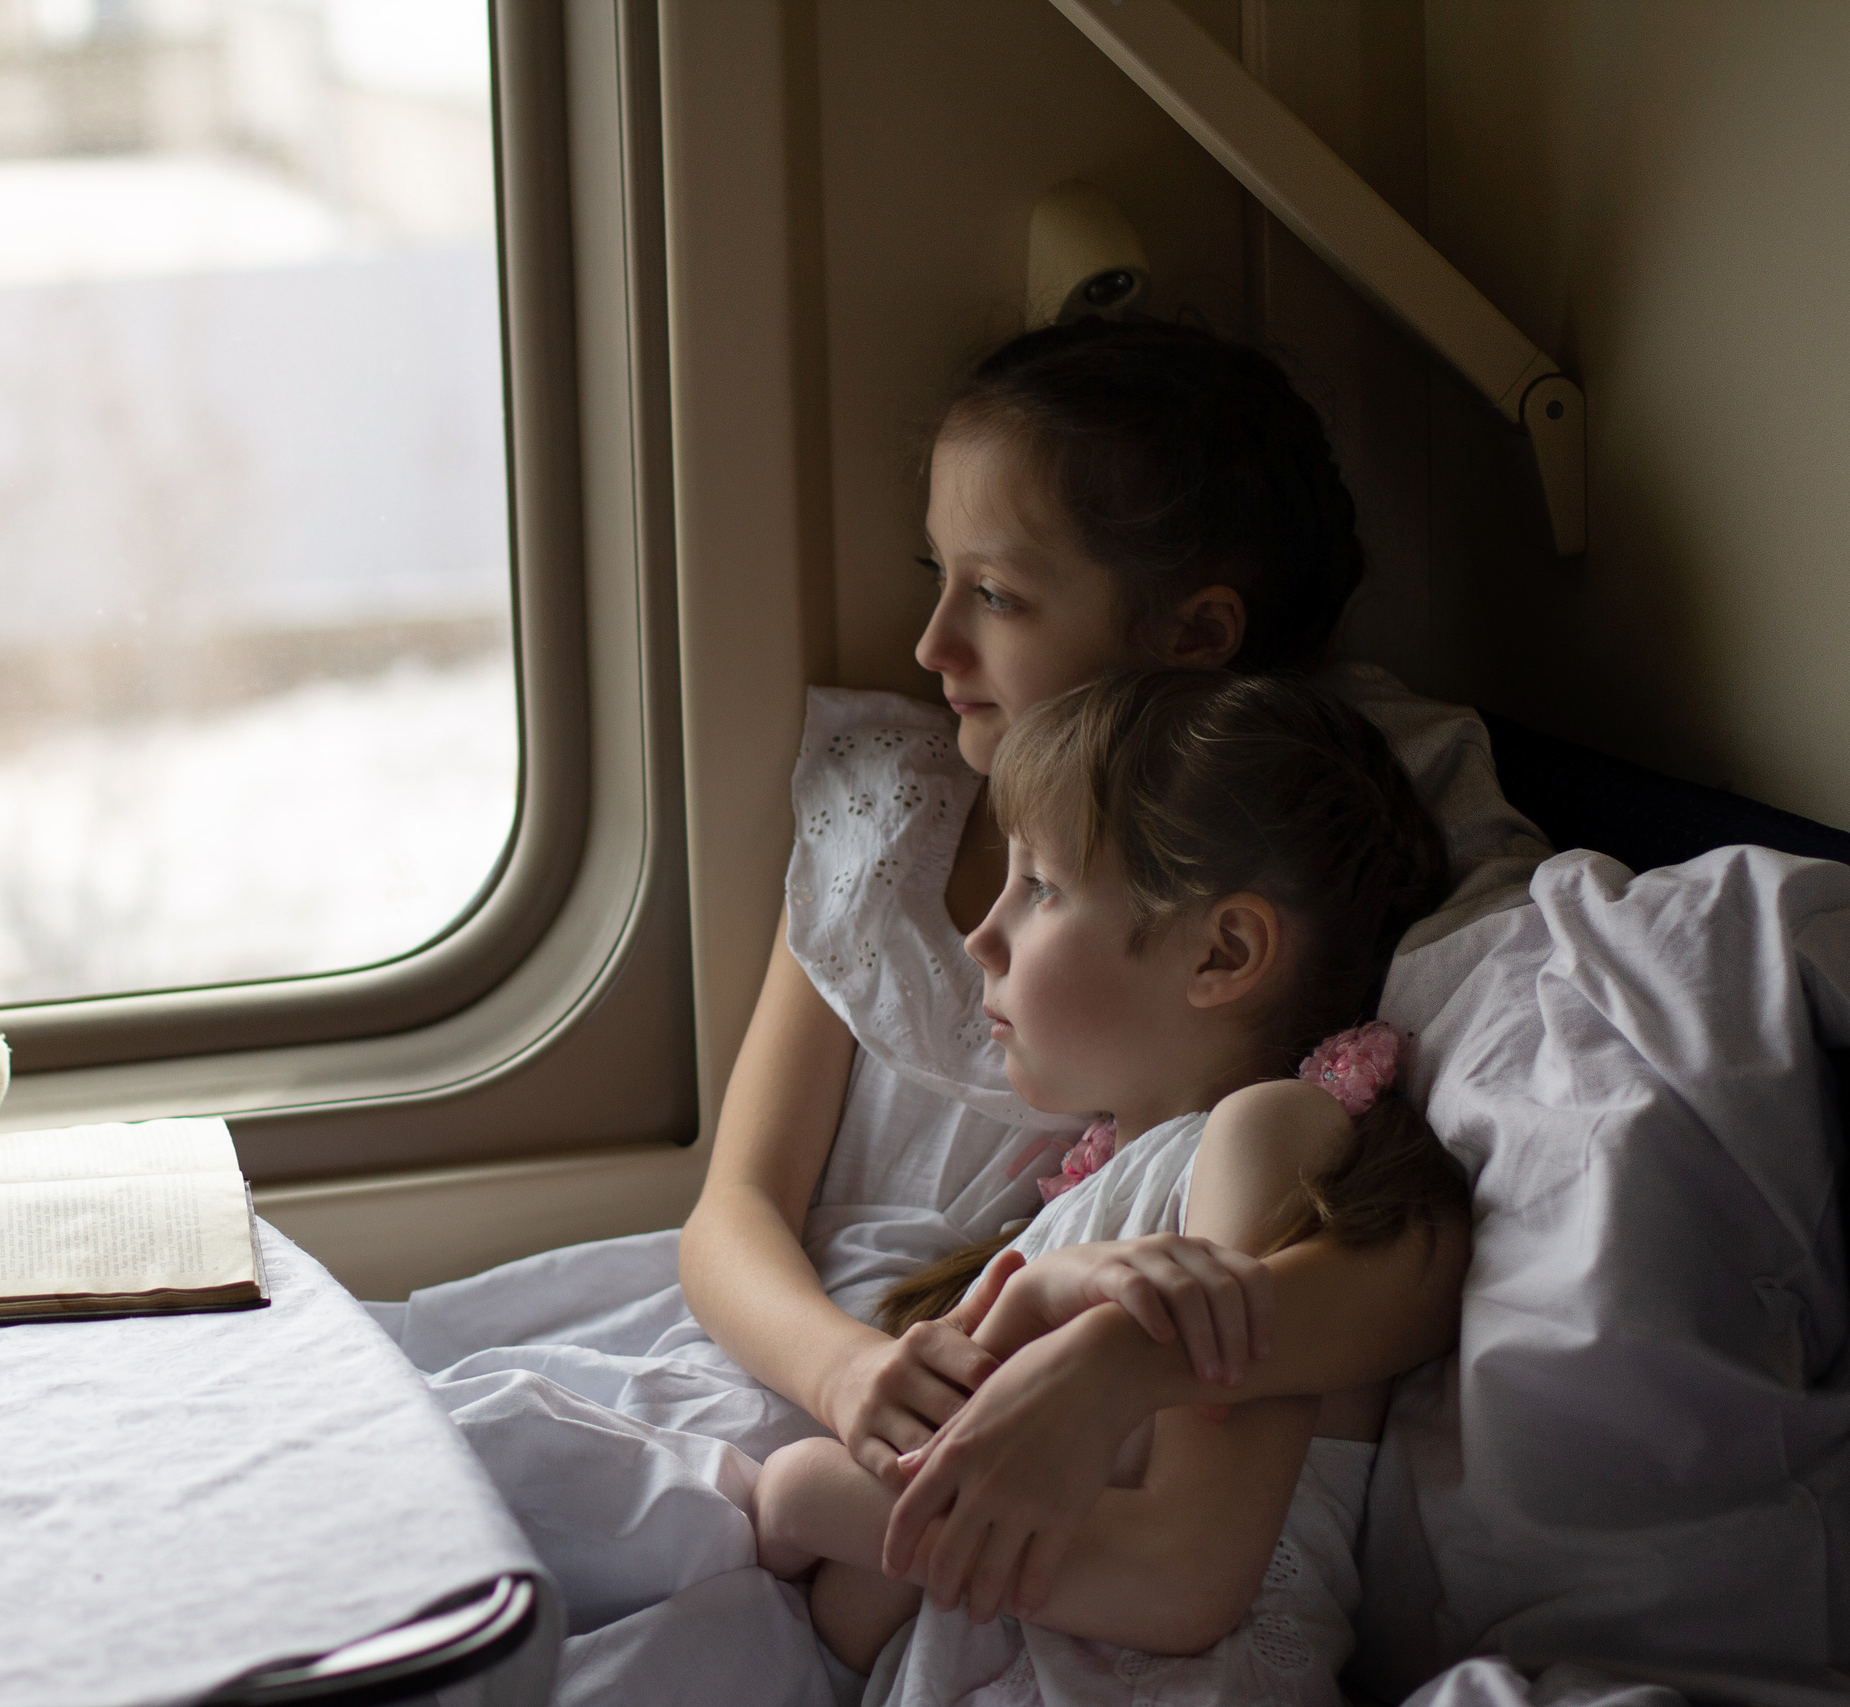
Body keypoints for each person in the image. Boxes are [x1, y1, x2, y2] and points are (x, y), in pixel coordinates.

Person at [365, 316, 1548, 1705]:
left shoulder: (1297, 865)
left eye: (994, 593)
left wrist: (1047, 1371)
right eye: (936, 576)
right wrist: (849, 1376)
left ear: (1192, 635)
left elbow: (1389, 1245)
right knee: (472, 1471)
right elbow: (732, 1207)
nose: (930, 640)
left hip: (974, 1436)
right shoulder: (897, 823)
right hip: (828, 1347)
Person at [749, 668, 1465, 1700]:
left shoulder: (1263, 1138)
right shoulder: (1089, 1207)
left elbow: (1183, 1579)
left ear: (1223, 951)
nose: (981, 937)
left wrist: (803, 1495)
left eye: (1038, 888)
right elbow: (860, 1627)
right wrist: (1024, 1309)